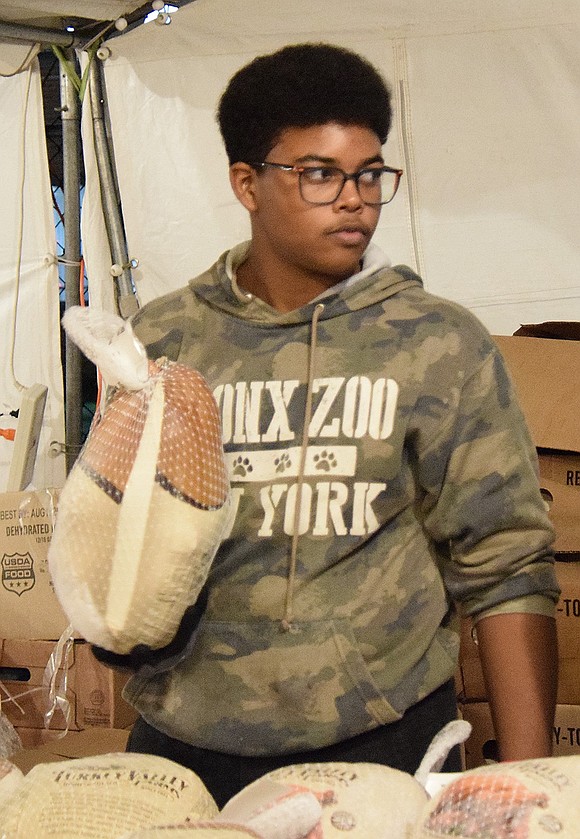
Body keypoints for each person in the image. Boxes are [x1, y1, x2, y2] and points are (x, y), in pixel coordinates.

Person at [121, 43, 559, 808]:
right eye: (319, 173)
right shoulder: (164, 342)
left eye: (370, 173)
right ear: (247, 184)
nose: (355, 198)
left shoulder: (437, 343)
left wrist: (526, 783)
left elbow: (505, 560)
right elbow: (120, 538)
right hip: (183, 744)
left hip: (383, 740)